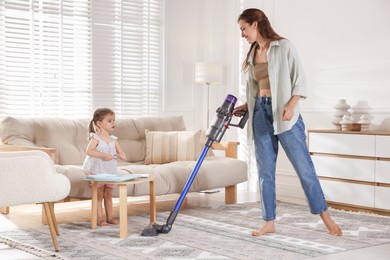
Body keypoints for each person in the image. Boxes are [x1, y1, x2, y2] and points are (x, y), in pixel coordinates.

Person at [233, 8, 342, 236]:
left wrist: (291, 106)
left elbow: (299, 82)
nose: (242, 34)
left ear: (255, 24)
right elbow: (257, 88)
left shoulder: (284, 47)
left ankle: (326, 218)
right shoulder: (253, 52)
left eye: (243, 28)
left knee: (304, 170)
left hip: (285, 115)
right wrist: (246, 106)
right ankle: (269, 221)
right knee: (265, 173)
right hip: (260, 114)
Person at [83, 108, 126, 226]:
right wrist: (102, 155)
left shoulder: (113, 139)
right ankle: (100, 218)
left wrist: (121, 155)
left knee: (109, 195)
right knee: (99, 195)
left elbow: (121, 153)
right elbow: (89, 151)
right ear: (100, 124)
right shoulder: (95, 138)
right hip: (98, 171)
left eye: (114, 120)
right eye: (110, 121)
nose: (113, 123)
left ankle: (110, 217)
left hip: (110, 171)